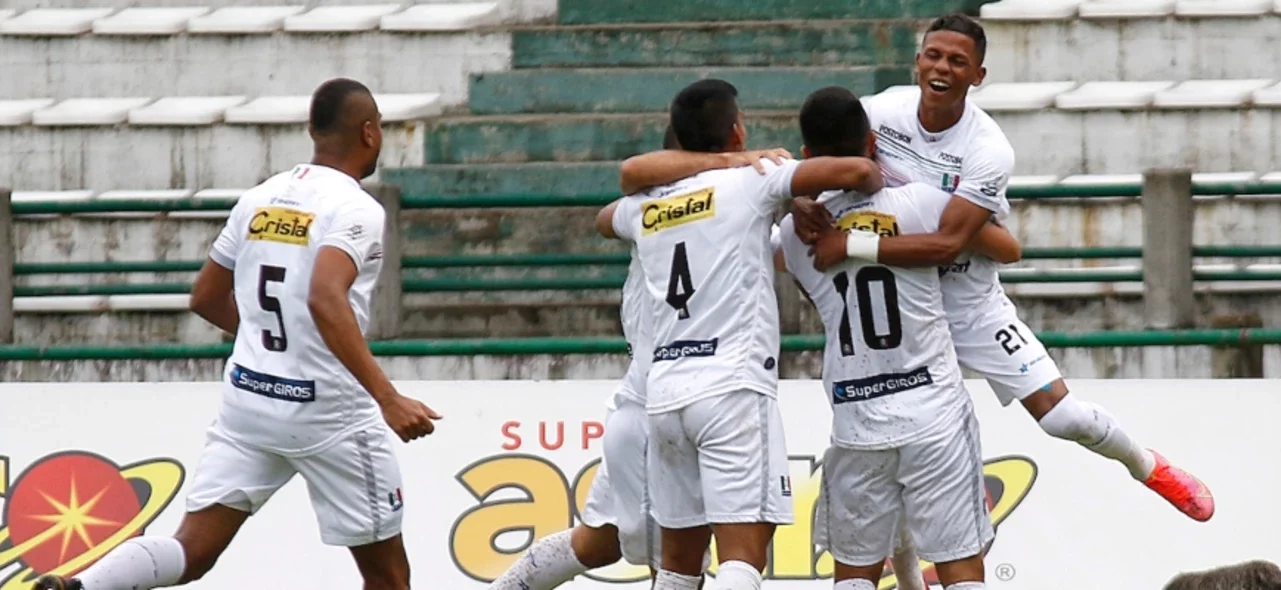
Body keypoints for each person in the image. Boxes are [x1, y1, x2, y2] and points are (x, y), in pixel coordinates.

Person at [801, 13, 1215, 532]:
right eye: (934, 55)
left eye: (957, 61)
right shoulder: (879, 112)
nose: (941, 68)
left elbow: (967, 244)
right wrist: (800, 200)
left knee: (1060, 416)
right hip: (902, 307)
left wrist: (855, 242)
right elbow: (820, 157)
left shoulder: (987, 149)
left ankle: (1148, 467)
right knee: (886, 444)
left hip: (968, 302)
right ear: (916, 61)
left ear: (978, 76)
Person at [35, 78, 441, 590]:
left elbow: (204, 297)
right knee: (388, 577)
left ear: (312, 132)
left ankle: (80, 586)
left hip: (250, 403)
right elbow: (324, 296)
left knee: (192, 548)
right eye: (379, 125)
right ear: (368, 132)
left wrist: (268, 344)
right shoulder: (355, 209)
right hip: (329, 415)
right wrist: (387, 397)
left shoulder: (260, 197)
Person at [598, 79, 883, 590]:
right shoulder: (752, 178)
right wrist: (784, 186)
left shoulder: (645, 206)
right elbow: (860, 171)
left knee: (679, 565)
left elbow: (606, 215)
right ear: (737, 131)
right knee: (743, 556)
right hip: (730, 388)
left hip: (664, 396)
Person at [488, 127, 766, 589]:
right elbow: (629, 176)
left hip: (654, 406)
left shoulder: (656, 214)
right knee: (677, 567)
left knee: (598, 543)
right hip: (660, 412)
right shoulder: (707, 208)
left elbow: (612, 206)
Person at [779, 85, 1002, 590]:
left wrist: (798, 200)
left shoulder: (797, 235)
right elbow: (1000, 245)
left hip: (857, 415)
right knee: (961, 570)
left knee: (854, 576)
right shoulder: (924, 203)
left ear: (809, 157)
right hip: (933, 409)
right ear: (873, 141)